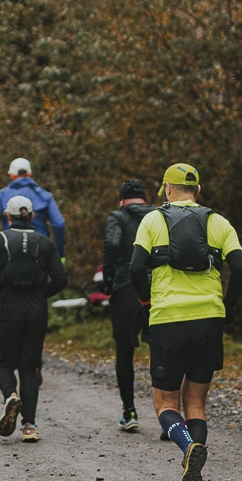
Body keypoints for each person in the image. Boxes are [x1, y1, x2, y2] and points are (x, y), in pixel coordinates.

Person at [129, 163, 242, 481]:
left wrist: (146, 300)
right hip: (209, 319)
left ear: (167, 188)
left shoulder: (153, 220)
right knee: (195, 404)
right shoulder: (219, 222)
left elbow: (136, 267)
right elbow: (241, 268)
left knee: (166, 403)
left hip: (168, 319)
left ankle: (187, 449)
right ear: (197, 189)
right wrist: (226, 305)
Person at [0, 195, 67, 443]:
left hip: (8, 311)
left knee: (4, 364)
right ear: (31, 216)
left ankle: (10, 395)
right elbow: (61, 279)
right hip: (36, 313)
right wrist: (42, 293)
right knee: (30, 368)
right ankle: (29, 426)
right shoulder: (45, 242)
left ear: (7, 217)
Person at [101, 179, 156, 432]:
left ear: (122, 199)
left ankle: (129, 411)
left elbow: (112, 244)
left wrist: (108, 279)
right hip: (158, 287)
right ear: (143, 199)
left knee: (124, 350)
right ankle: (168, 417)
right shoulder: (159, 215)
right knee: (161, 351)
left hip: (125, 288)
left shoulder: (118, 216)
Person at [0, 158, 67, 260]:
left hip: (10, 249)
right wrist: (60, 254)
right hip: (40, 249)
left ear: (12, 175)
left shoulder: (1, 196)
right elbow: (59, 224)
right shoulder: (45, 196)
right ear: (30, 174)